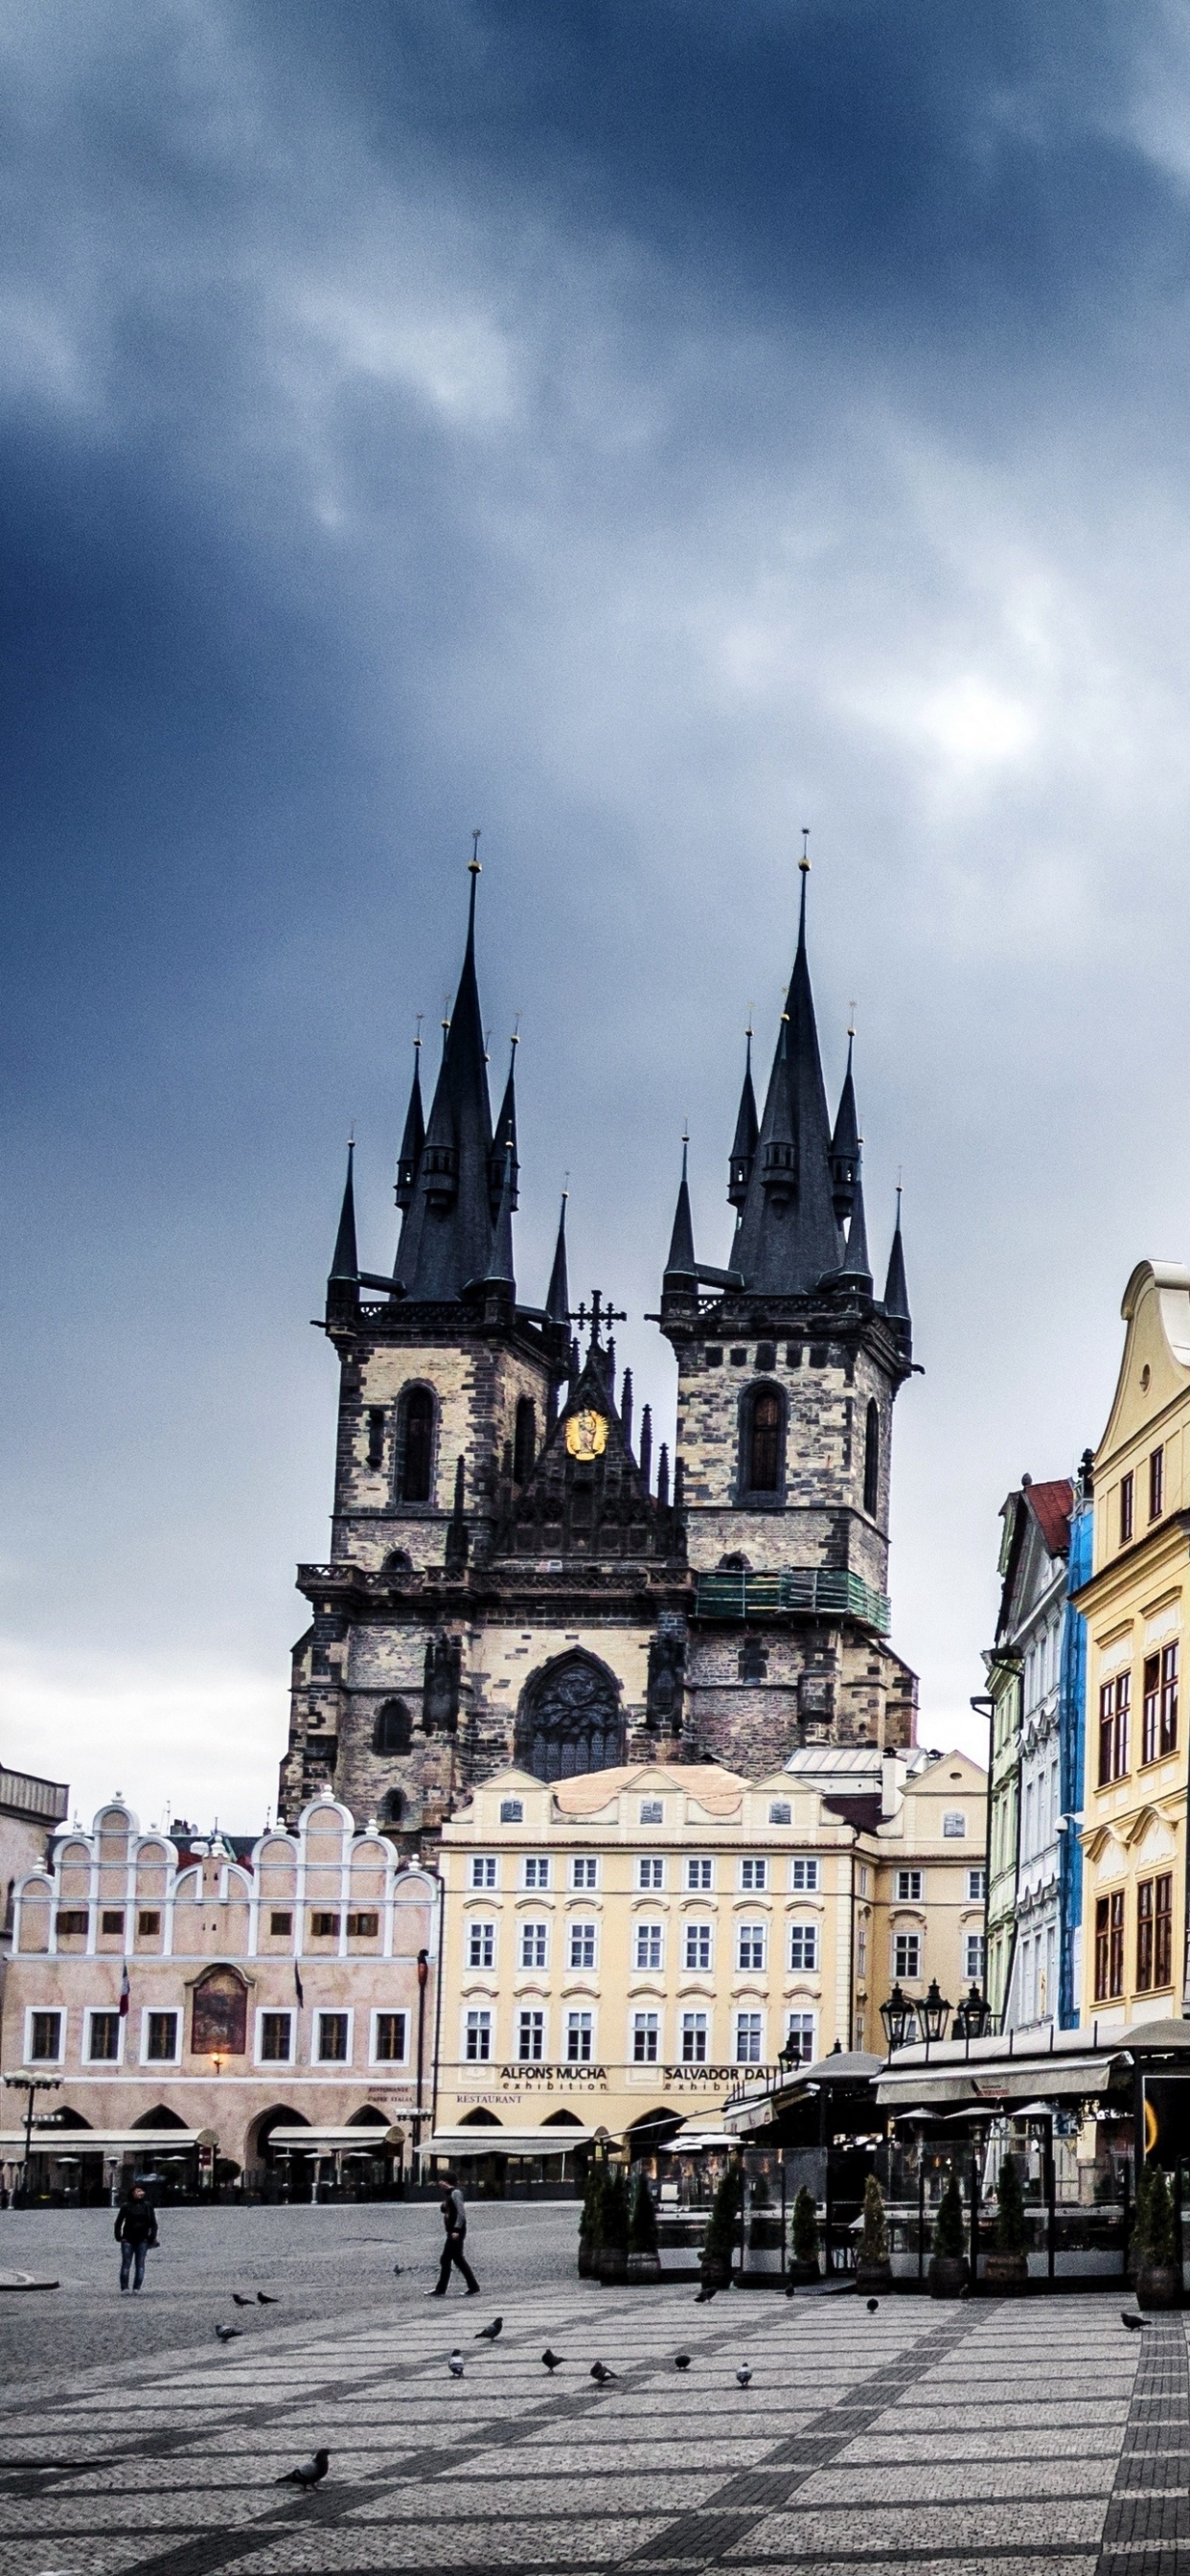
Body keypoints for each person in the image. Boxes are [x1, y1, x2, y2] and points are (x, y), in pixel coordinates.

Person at [428, 2174, 480, 2296]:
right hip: (452, 2230)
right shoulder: (449, 2193)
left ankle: (440, 2289)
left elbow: (461, 2213)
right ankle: (473, 2286)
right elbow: (445, 2209)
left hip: (455, 2231)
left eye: (441, 2181)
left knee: (446, 2259)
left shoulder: (456, 2193)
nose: (439, 2184)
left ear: (446, 2181)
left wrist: (456, 2229)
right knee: (458, 2260)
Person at [115, 2182, 158, 2292]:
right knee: (126, 2264)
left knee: (140, 2265)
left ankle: (136, 2288)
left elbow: (153, 2223)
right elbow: (119, 2222)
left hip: (143, 2239)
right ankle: (124, 2287)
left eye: (142, 2191)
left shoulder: (148, 2206)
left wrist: (152, 2237)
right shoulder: (126, 2206)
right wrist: (119, 2237)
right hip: (128, 2239)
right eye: (138, 2191)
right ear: (133, 2193)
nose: (141, 2193)